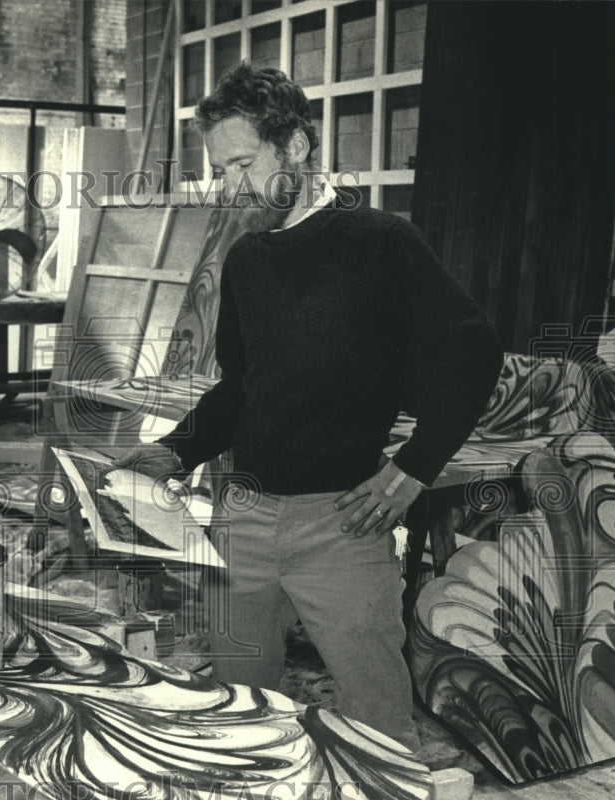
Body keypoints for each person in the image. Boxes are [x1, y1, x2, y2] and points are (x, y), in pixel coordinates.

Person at [116, 62, 503, 752]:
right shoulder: (247, 261)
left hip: (343, 523)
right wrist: (173, 450)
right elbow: (239, 389)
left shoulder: (381, 241)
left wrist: (416, 465)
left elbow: (470, 351)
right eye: (220, 170)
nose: (229, 187)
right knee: (244, 713)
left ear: (294, 146)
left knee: (378, 722)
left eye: (241, 164)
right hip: (244, 517)